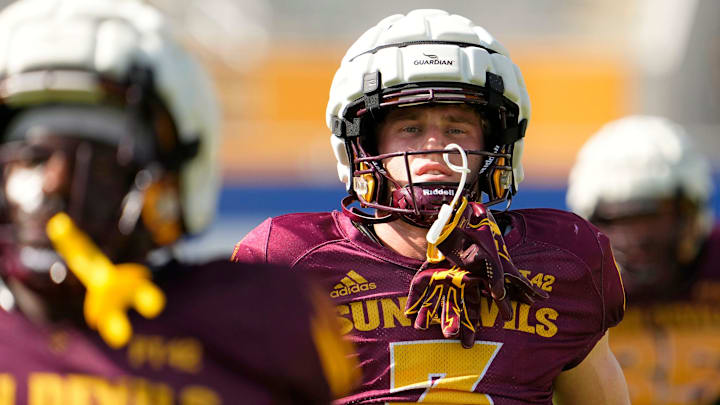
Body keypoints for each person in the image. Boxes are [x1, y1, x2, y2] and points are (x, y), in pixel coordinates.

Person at [231, 8, 629, 404]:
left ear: (495, 147)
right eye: (410, 128)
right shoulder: (291, 262)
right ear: (367, 146)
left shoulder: (564, 262)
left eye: (457, 128)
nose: (436, 148)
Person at [0, 0, 357, 403]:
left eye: (97, 164)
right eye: (31, 159)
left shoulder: (261, 321)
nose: (52, 187)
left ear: (172, 179)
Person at [567, 115, 720, 404]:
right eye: (617, 220)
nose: (635, 240)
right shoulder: (566, 291)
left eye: (652, 218)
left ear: (691, 216)